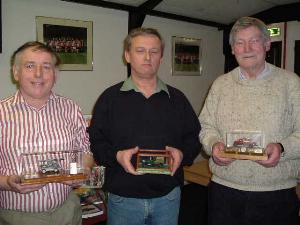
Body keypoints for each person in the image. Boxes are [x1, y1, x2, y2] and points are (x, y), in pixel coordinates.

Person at [89, 27, 201, 225]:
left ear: (161, 58)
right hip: (123, 199)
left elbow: (194, 137)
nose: (148, 57)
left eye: (154, 51)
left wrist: (183, 154)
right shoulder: (109, 99)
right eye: (140, 51)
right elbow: (96, 141)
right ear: (127, 56)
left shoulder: (177, 99)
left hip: (168, 197)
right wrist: (116, 156)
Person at [199, 16, 300, 225]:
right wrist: (213, 145)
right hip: (224, 192)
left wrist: (282, 148)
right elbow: (205, 126)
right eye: (239, 42)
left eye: (254, 41)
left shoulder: (291, 83)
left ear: (267, 44)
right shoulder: (220, 84)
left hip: (276, 193)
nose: (246, 49)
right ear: (233, 49)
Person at [0, 41, 93, 225]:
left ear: (55, 74)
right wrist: (7, 182)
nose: (38, 74)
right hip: (17, 217)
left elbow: (85, 152)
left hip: (68, 212)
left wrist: (84, 171)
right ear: (16, 72)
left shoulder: (71, 109)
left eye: (46, 66)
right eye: (29, 66)